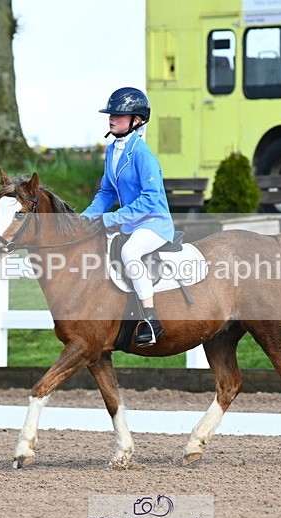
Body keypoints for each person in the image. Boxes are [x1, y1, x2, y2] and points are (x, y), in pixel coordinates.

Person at [81, 87, 175, 347]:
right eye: (110, 114)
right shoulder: (112, 151)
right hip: (131, 223)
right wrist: (86, 217)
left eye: (119, 115)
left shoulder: (143, 155)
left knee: (130, 253)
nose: (112, 118)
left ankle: (151, 321)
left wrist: (110, 220)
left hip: (154, 223)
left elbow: (149, 200)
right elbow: (107, 192)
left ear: (137, 120)